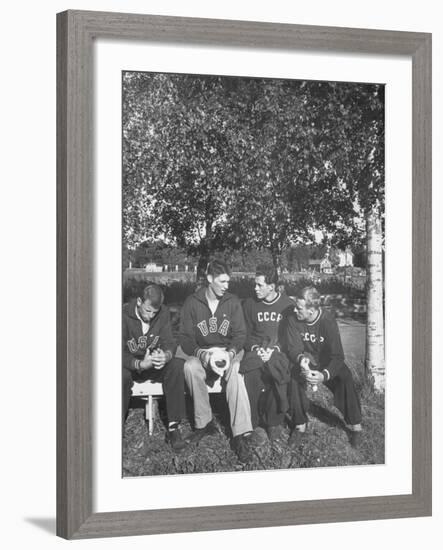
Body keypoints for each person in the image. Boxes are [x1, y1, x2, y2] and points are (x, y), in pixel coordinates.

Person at [178, 259, 254, 462]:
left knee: (237, 371)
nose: (226, 286)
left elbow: (240, 334)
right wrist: (201, 354)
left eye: (228, 281)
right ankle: (204, 424)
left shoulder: (232, 301)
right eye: (222, 281)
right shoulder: (192, 302)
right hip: (204, 353)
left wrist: (230, 353)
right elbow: (184, 337)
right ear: (209, 279)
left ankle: (240, 434)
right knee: (190, 367)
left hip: (228, 352)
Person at [284, 286, 363, 448]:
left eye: (299, 308)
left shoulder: (327, 321)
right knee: (292, 376)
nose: (295, 310)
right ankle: (300, 424)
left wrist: (323, 375)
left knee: (345, 377)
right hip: (306, 360)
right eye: (295, 306)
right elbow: (292, 348)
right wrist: (301, 360)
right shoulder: (293, 319)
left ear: (311, 310)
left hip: (327, 362)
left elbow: (338, 356)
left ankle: (355, 426)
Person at [122, 284, 187, 452]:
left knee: (177, 365)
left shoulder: (163, 313)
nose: (150, 316)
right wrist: (138, 364)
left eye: (154, 313)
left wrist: (165, 356)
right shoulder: (122, 314)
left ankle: (174, 428)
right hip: (130, 365)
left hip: (153, 364)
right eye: (147, 310)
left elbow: (170, 342)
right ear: (139, 302)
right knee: (120, 376)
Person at [240, 264, 294, 442]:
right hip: (256, 350)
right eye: (255, 284)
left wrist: (274, 351)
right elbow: (244, 335)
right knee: (252, 373)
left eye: (259, 285)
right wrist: (256, 348)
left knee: (276, 371)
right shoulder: (249, 305)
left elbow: (291, 338)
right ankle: (253, 423)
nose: (255, 288)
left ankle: (273, 421)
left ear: (271, 287)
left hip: (278, 351)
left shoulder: (287, 305)